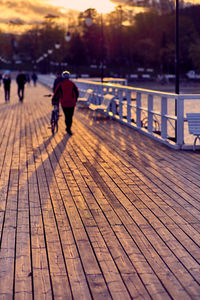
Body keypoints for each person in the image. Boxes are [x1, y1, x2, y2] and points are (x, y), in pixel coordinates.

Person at [51, 70, 79, 135]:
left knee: (66, 116)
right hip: (72, 103)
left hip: (64, 103)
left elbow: (56, 93)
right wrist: (75, 99)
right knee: (70, 116)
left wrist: (54, 99)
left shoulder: (61, 84)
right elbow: (77, 92)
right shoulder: (72, 84)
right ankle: (68, 128)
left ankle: (68, 128)